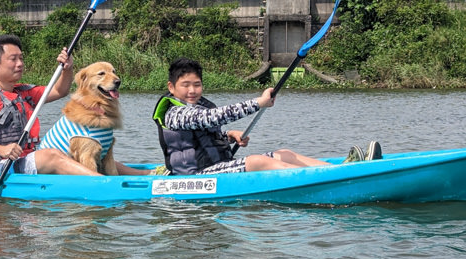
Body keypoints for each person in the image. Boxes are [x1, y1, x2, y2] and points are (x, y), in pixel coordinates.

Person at [153, 57, 364, 174]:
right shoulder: (175, 113)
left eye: (197, 85)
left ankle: (339, 169)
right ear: (171, 87)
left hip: (216, 167)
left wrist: (228, 136)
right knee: (256, 161)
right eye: (185, 85)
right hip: (197, 177)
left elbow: (202, 134)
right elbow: (213, 118)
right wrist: (259, 103)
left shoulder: (198, 105)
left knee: (284, 153)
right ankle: (324, 178)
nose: (192, 90)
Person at [0, 34, 100, 176]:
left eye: (21, 58)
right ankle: (101, 184)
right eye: (13, 59)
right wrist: (1, 150)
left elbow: (59, 90)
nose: (20, 63)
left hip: (25, 161)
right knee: (51, 155)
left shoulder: (24, 92)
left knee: (88, 154)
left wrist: (67, 69)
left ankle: (118, 179)